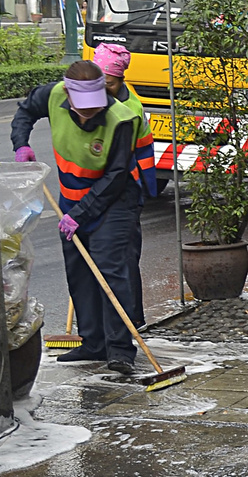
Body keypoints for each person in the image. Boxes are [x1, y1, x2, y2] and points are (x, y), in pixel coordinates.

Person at [11, 60, 147, 375]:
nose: (89, 115)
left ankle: (120, 350)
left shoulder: (121, 118)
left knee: (112, 274)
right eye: (82, 109)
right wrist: (22, 145)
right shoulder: (52, 95)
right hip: (71, 200)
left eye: (94, 108)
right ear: (68, 97)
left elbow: (115, 176)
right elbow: (24, 112)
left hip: (114, 201)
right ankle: (93, 343)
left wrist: (82, 213)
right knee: (81, 272)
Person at [90, 43, 158, 325]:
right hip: (90, 188)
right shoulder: (85, 97)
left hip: (123, 189)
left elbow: (143, 148)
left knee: (125, 257)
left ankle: (133, 319)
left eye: (110, 83)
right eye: (100, 82)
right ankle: (99, 326)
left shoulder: (130, 107)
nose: (104, 88)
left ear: (120, 80)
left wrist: (147, 188)